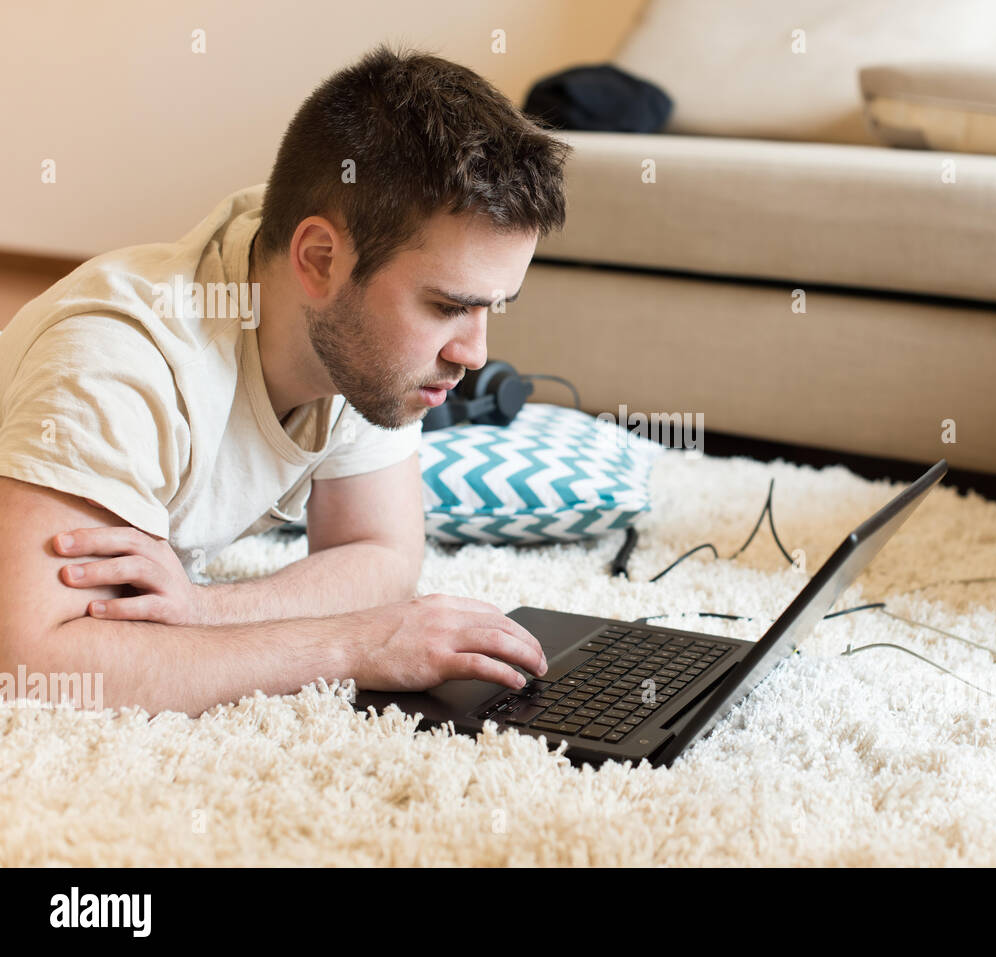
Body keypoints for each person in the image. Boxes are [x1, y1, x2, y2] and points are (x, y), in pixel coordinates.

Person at [0, 44, 570, 715]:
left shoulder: (352, 339)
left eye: (490, 307)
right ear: (319, 259)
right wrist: (349, 646)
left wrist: (205, 608)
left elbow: (381, 551)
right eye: (448, 306)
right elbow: (30, 663)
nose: (475, 353)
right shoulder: (117, 360)